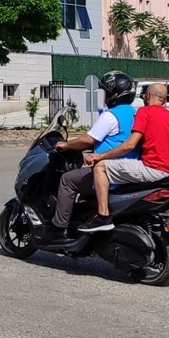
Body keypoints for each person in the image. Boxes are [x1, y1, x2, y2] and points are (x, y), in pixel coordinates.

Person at [39, 71, 138, 241]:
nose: (105, 96)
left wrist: (66, 144)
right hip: (130, 169)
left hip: (110, 173)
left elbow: (87, 139)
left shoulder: (110, 116)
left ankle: (58, 228)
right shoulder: (135, 113)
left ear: (114, 94)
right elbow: (118, 138)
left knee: (68, 180)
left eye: (106, 92)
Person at [78, 83, 169, 233]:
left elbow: (129, 145)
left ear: (148, 96)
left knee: (100, 166)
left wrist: (99, 156)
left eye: (144, 95)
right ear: (165, 100)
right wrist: (166, 153)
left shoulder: (145, 112)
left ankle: (103, 216)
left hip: (153, 169)